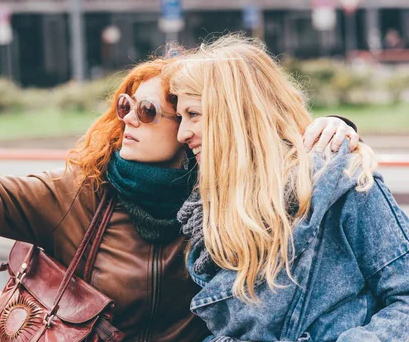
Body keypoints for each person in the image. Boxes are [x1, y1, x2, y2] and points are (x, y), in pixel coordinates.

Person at [0, 57, 357, 341]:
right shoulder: (82, 191)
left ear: (187, 124)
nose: (129, 120)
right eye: (124, 106)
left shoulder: (222, 195)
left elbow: (275, 154)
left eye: (147, 110)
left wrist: (336, 130)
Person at [168, 35, 409, 341]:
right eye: (179, 117)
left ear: (236, 114)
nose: (182, 134)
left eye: (193, 114)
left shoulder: (341, 180)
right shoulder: (205, 210)